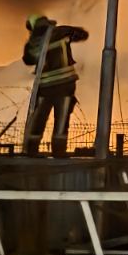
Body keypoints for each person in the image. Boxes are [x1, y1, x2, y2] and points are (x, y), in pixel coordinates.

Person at [21, 14, 89, 156]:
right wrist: (71, 33)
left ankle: (31, 151)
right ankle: (59, 152)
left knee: (38, 120)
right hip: (65, 85)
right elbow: (83, 34)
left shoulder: (33, 42)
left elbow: (27, 60)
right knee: (62, 120)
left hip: (45, 88)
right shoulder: (61, 32)